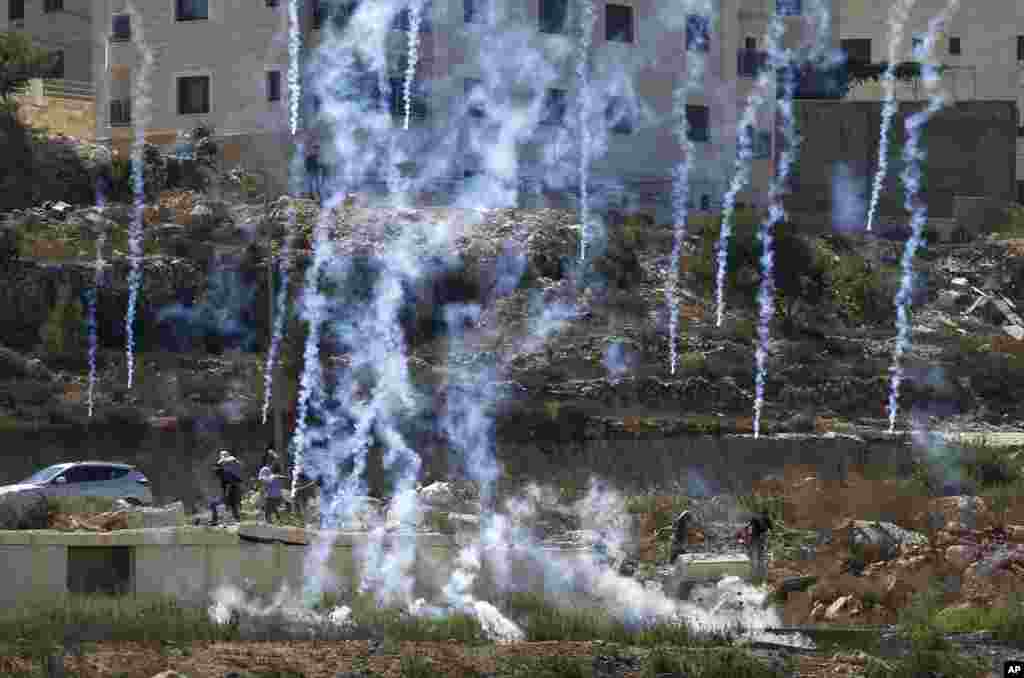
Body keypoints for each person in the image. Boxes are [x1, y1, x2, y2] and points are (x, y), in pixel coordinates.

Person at [741, 510, 773, 584]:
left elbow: (748, 527)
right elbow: (771, 528)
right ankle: (761, 575)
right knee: (761, 556)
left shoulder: (754, 518)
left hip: (754, 539)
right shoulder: (767, 518)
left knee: (754, 556)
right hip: (762, 538)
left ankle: (754, 575)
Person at [214, 449, 245, 524]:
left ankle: (229, 518)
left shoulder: (230, 461)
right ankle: (234, 518)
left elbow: (220, 469)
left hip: (230, 485)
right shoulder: (231, 462)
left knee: (229, 502)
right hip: (231, 485)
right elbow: (217, 471)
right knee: (233, 503)